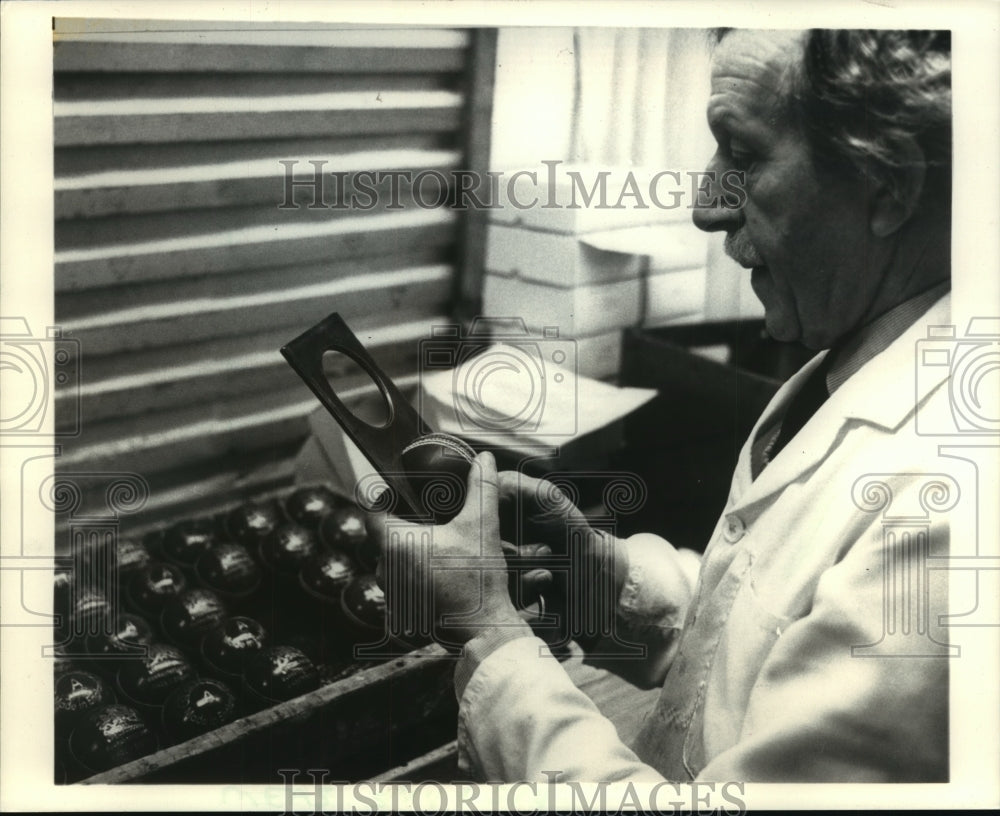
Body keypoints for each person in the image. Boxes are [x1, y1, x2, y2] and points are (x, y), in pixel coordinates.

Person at [375, 28, 954, 783]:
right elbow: (771, 642)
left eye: (742, 156)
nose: (707, 208)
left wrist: (488, 632)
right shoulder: (857, 351)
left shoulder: (948, 505)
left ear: (892, 186)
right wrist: (608, 585)